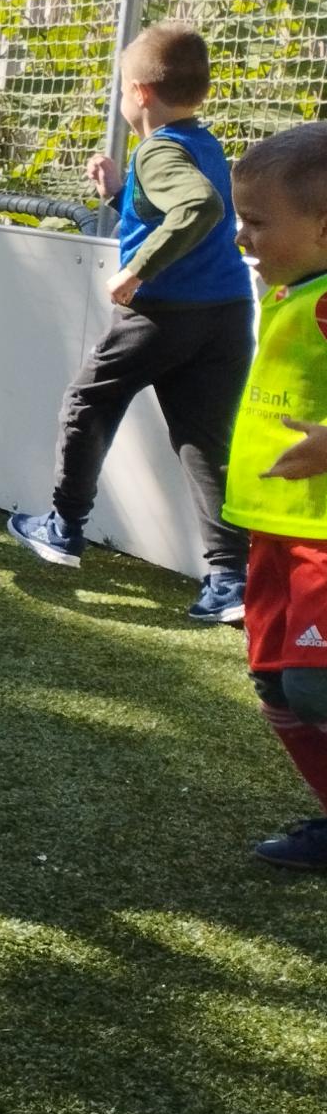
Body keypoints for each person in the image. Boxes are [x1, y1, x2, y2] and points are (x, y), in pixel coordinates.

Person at [6, 23, 254, 624]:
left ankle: (64, 526)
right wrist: (120, 192)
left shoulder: (160, 149)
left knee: (87, 402)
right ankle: (230, 578)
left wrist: (138, 269)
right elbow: (177, 213)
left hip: (164, 314)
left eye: (121, 88)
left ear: (140, 93)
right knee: (204, 442)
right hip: (224, 313)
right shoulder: (203, 142)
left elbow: (198, 207)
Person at [211, 120, 327, 871]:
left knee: (314, 689)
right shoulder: (296, 289)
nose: (241, 237)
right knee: (276, 687)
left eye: (256, 222)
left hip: (321, 537)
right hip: (274, 530)